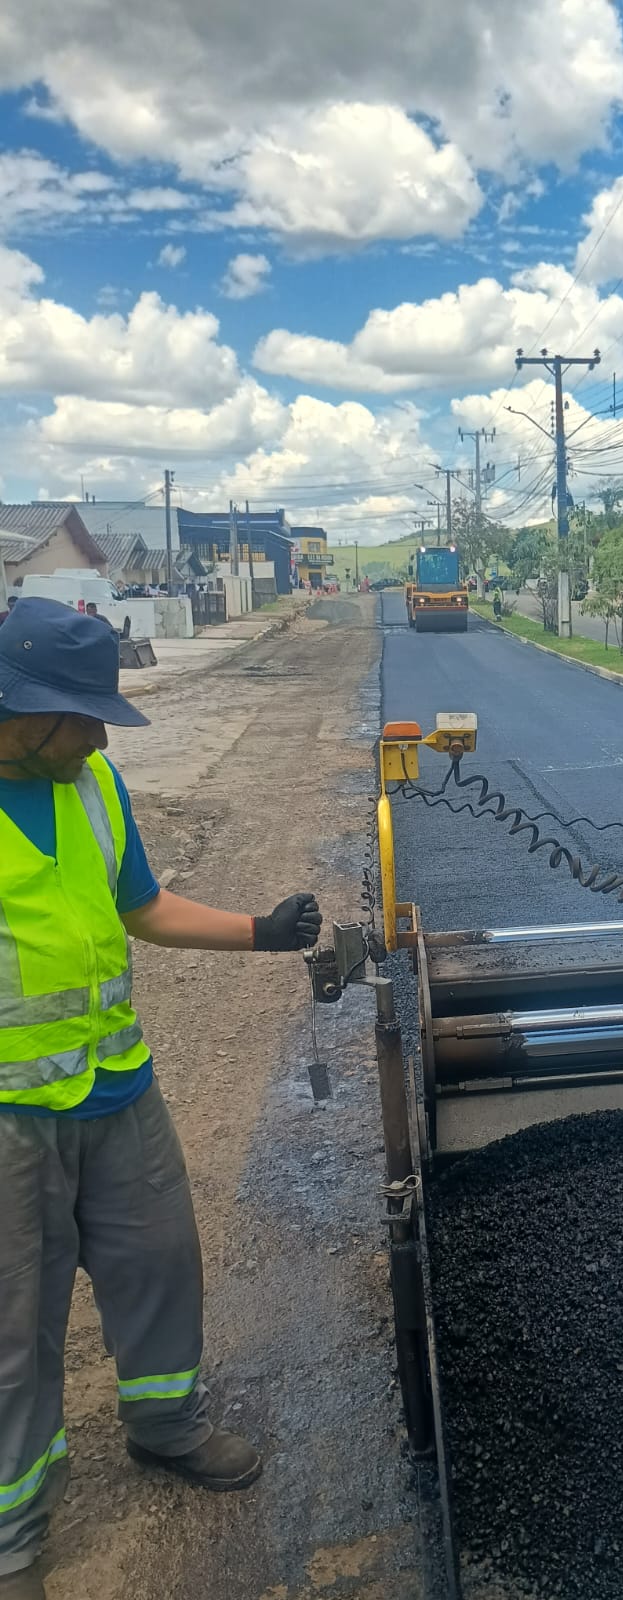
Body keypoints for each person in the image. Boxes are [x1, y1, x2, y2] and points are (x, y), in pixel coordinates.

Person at [0, 599, 323, 1600]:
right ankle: (14, 1527)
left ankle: (165, 1424)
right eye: (79, 715)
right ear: (14, 706)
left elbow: (142, 905)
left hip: (116, 1087)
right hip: (11, 1116)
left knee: (160, 1261)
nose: (99, 734)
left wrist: (262, 932)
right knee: (15, 1319)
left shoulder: (90, 780)